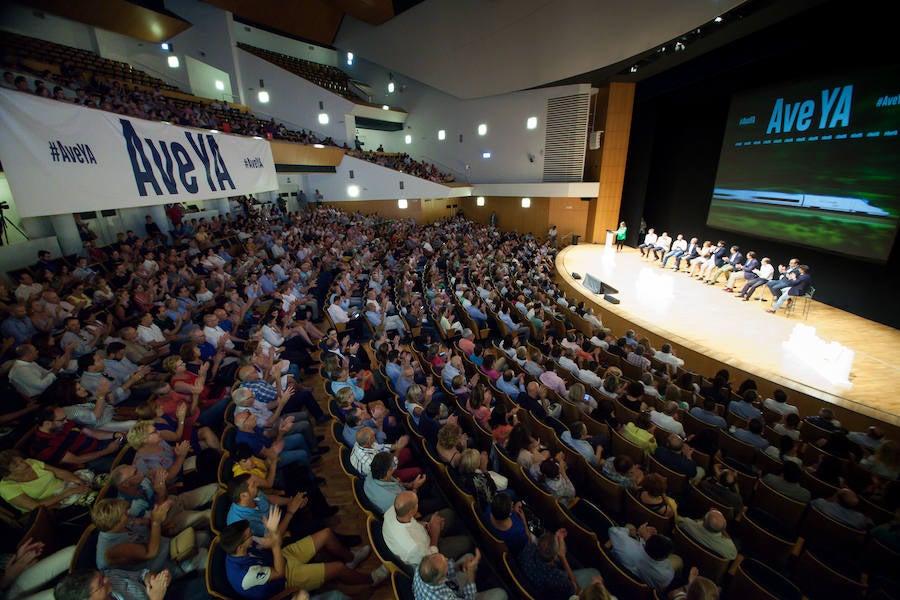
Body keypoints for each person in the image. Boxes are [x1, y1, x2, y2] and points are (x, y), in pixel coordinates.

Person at [220, 508, 387, 598]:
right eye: (249, 535)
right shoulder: (245, 576)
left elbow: (266, 542)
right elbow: (278, 573)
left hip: (280, 557)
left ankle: (352, 559)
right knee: (337, 568)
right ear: (240, 547)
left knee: (327, 533)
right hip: (284, 578)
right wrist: (275, 539)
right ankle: (372, 580)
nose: (252, 536)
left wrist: (272, 534)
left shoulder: (239, 548)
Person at [382, 491, 474, 566]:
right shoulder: (414, 547)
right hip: (429, 554)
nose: (418, 504)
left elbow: (411, 523)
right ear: (411, 512)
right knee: (467, 542)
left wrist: (426, 525)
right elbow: (430, 559)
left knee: (448, 513)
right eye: (417, 504)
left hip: (423, 537)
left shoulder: (392, 511)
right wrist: (435, 532)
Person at [517, 529, 601, 598]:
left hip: (531, 583)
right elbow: (577, 591)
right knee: (595, 572)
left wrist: (556, 540)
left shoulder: (527, 549)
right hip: (550, 593)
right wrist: (563, 557)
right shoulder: (559, 578)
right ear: (555, 556)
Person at [607, 523, 678, 590]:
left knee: (629, 525)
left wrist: (635, 531)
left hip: (617, 567)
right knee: (678, 560)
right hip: (638, 586)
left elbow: (612, 530)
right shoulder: (666, 575)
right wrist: (646, 537)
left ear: (644, 546)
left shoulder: (625, 544)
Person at [413, 550, 507, 600]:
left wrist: (459, 566)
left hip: (449, 588)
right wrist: (470, 573)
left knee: (469, 557)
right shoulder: (444, 598)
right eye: (445, 562)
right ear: (440, 580)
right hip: (454, 595)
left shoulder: (421, 568)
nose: (446, 559)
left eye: (443, 557)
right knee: (501, 594)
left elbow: (445, 570)